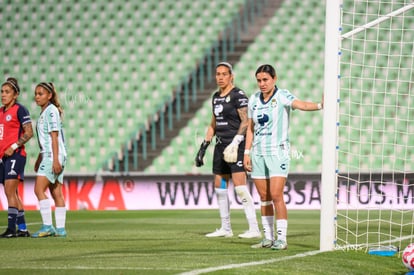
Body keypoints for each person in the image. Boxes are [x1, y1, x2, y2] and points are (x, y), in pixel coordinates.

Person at [244, 64, 323, 250]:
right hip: (257, 153)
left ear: (274, 79)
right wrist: (246, 153)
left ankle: (281, 238)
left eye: (265, 80)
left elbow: (302, 105)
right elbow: (250, 128)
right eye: (259, 80)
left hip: (277, 152)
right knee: (264, 197)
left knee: (276, 195)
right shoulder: (253, 99)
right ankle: (267, 238)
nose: (262, 84)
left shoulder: (282, 96)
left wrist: (320, 105)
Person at [195, 62, 260, 239]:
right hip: (221, 147)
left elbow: (246, 121)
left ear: (231, 76)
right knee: (220, 188)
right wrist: (203, 147)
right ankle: (226, 228)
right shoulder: (216, 97)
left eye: (224, 74)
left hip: (236, 147)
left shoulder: (238, 95)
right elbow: (213, 124)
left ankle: (254, 228)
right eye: (218, 74)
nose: (220, 77)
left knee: (240, 188)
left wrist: (237, 141)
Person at [32, 82, 67, 238]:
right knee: (56, 192)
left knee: (38, 190)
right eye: (36, 94)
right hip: (53, 155)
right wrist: (40, 158)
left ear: (49, 96)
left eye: (41, 94)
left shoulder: (51, 111)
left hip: (53, 155)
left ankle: (47, 226)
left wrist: (54, 160)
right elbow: (45, 139)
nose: (37, 97)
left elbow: (54, 136)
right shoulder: (46, 111)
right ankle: (60, 229)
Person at [0, 77, 33, 238]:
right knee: (13, 193)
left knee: (9, 191)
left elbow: (29, 132)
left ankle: (11, 229)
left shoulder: (20, 110)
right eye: (2, 91)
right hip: (3, 158)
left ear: (15, 95)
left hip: (16, 155)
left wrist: (13, 146)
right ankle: (23, 229)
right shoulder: (0, 112)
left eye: (7, 92)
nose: (3, 95)